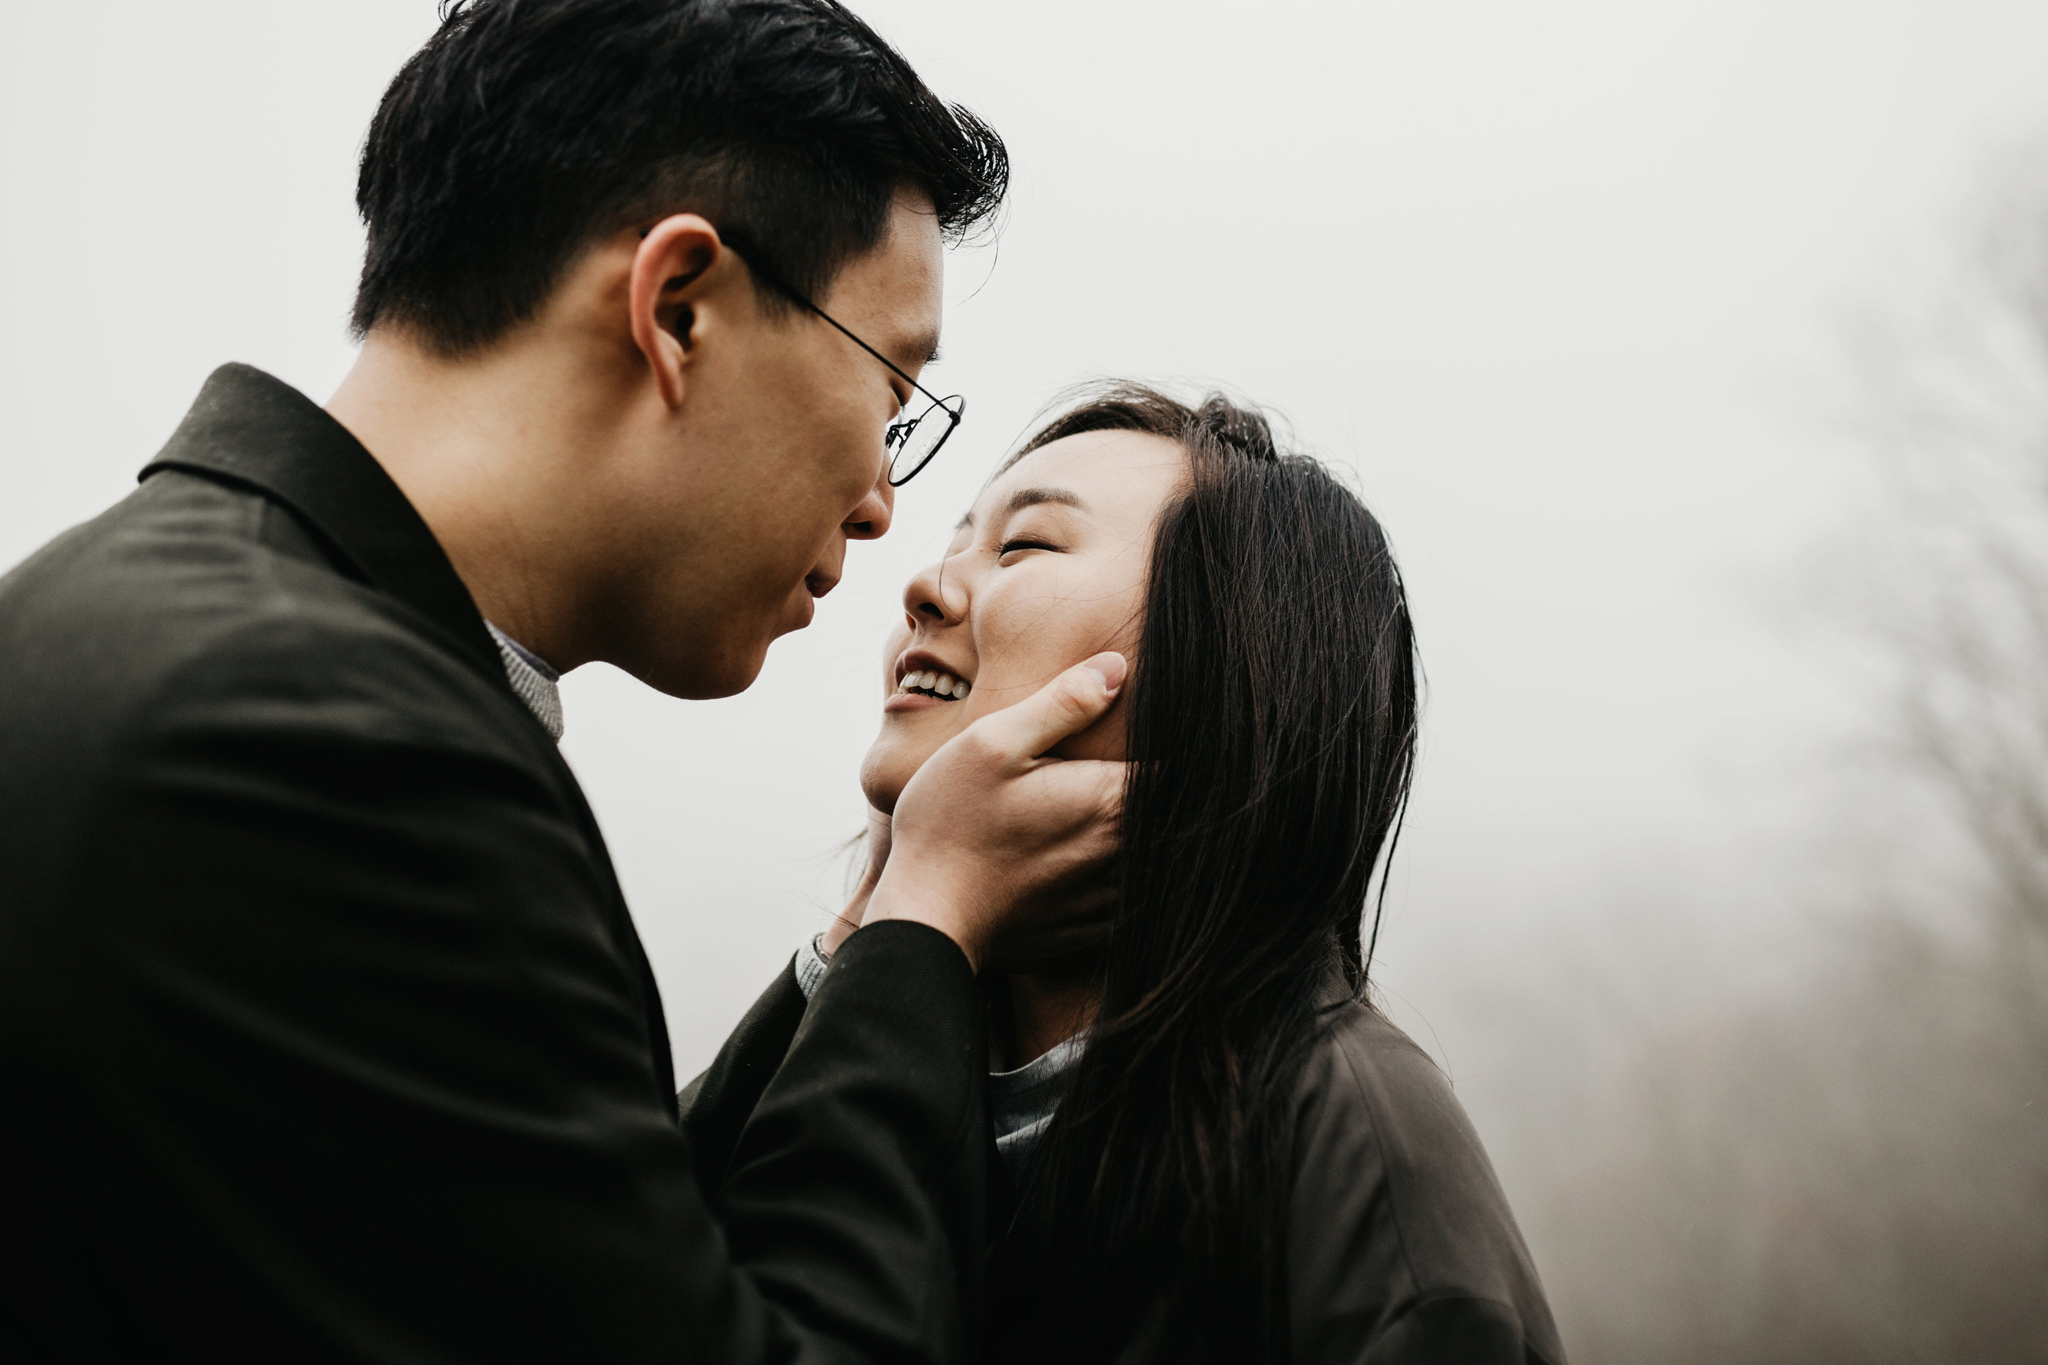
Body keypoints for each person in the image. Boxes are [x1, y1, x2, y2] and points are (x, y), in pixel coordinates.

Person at [0, 2, 1125, 1360]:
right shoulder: (331, 753)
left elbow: (570, 1252)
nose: (886, 502)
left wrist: (854, 947)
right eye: (888, 393)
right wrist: (929, 927)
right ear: (678, 307)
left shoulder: (114, 612)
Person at [682, 385, 1567, 1364]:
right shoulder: (884, 1042)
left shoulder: (1352, 1142)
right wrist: (884, 922)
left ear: (1224, 659)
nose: (925, 586)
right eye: (959, 540)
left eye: (1024, 547)